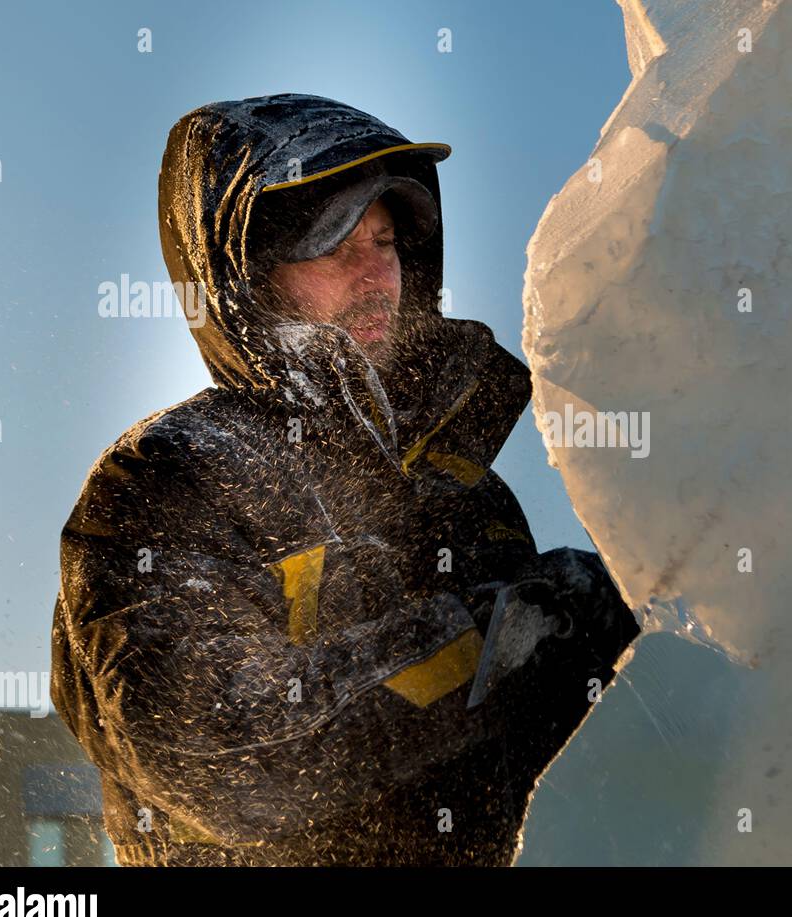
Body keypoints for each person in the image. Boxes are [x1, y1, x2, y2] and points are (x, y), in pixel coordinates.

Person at [49, 92, 642, 866]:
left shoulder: (469, 495)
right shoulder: (169, 480)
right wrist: (494, 639)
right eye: (333, 244)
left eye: (388, 241)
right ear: (248, 275)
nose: (375, 275)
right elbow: (218, 754)